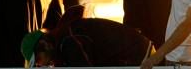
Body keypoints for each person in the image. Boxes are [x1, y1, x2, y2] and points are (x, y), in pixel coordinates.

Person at [20, 7, 149, 67]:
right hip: (139, 51)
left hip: (138, 57)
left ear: (45, 45)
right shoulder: (64, 38)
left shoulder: (69, 42)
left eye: (37, 59)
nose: (39, 64)